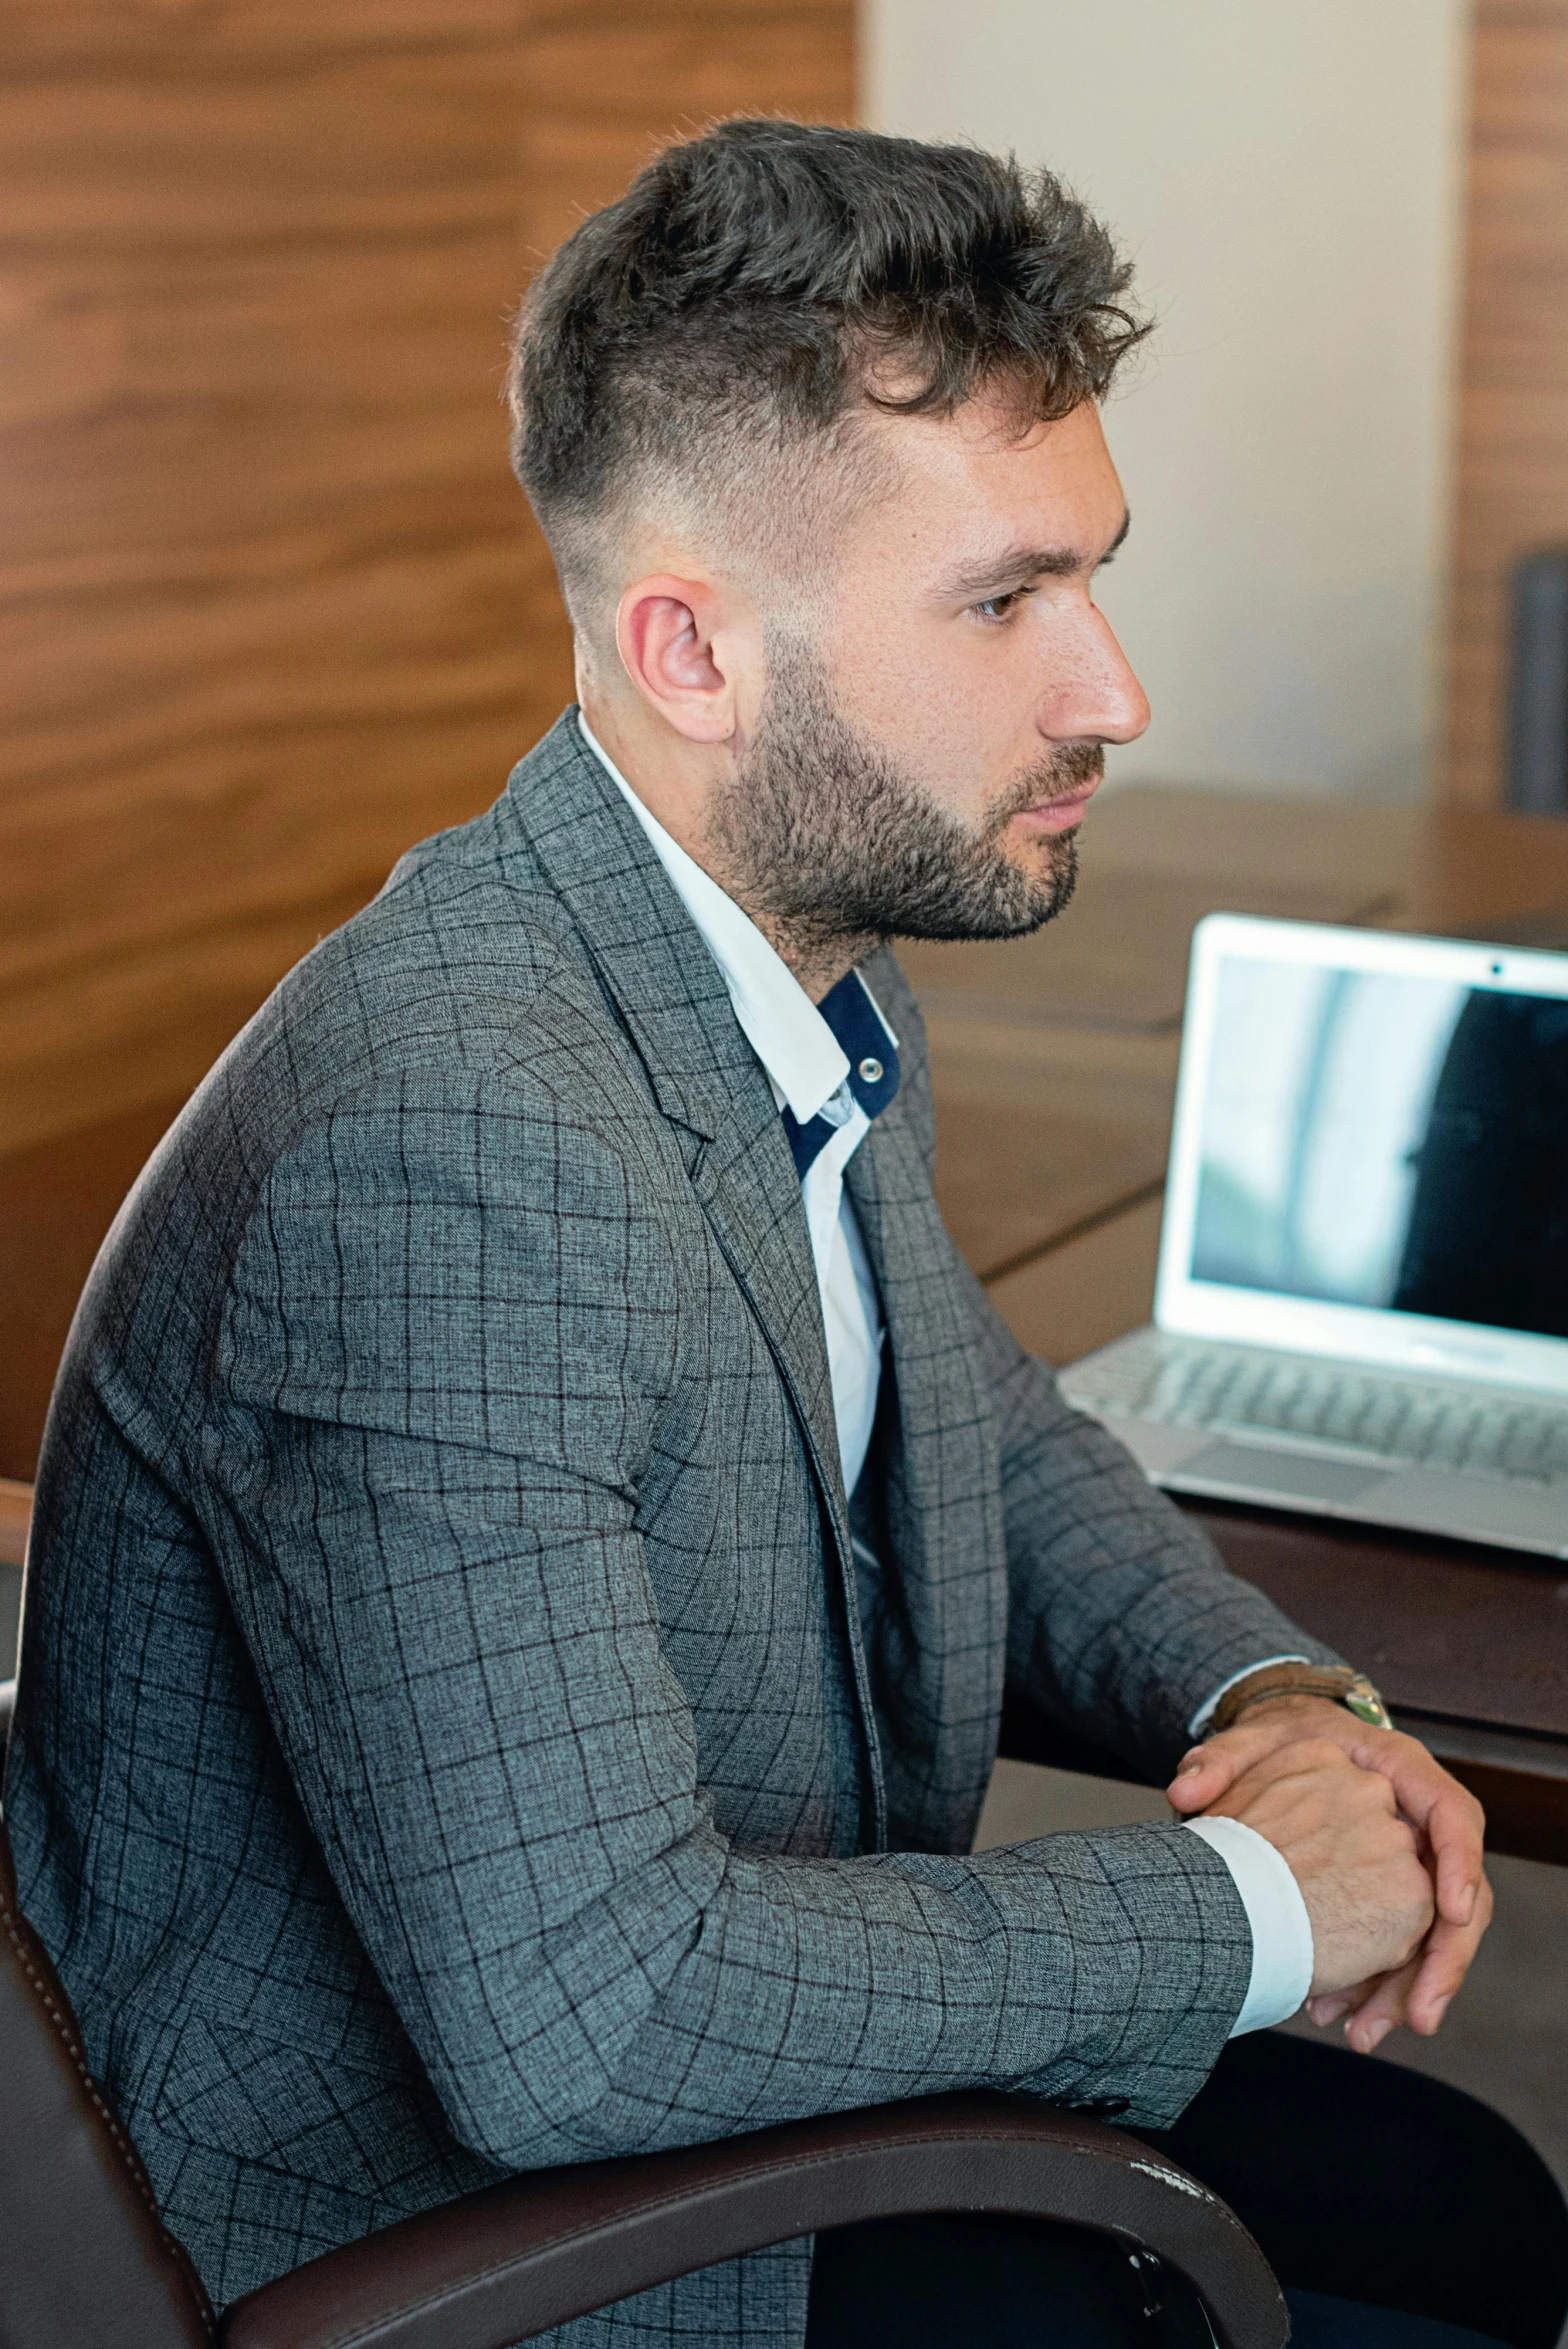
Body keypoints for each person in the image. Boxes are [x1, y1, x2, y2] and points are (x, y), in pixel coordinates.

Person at [5, 121, 1564, 2349]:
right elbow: (589, 2016)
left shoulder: (788, 941)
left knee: (1469, 2204)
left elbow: (977, 1430)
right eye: (1004, 600)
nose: (1111, 687)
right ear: (692, 652)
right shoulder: (440, 1149)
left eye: (1089, 574)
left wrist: (1271, 1691)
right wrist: (1241, 1897)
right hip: (489, 2245)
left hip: (746, 2086)